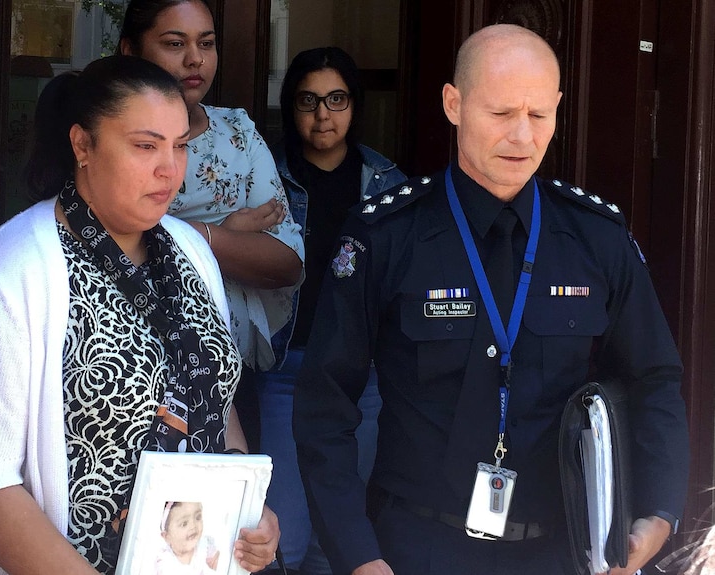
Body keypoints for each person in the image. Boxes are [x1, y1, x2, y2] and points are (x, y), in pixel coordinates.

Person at [292, 24, 689, 575]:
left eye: (538, 116)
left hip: (563, 548)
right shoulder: (386, 235)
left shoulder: (596, 237)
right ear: (453, 104)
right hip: (416, 548)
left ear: (557, 109)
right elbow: (324, 404)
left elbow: (655, 380)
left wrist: (659, 512)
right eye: (501, 114)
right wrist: (358, 555)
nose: (522, 138)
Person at [0, 55, 278, 575]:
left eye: (180, 145)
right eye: (145, 146)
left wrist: (247, 512)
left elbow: (214, 395)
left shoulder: (191, 253)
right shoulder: (10, 274)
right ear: (82, 145)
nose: (170, 168)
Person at [119, 0, 306, 451]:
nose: (194, 59)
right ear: (130, 50)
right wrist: (232, 232)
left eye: (206, 43)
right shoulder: (110, 139)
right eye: (174, 43)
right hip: (127, 382)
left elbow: (288, 262)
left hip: (229, 378)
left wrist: (199, 233)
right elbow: (108, 245)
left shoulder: (237, 133)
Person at [257, 47, 407, 575]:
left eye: (336, 99)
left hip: (361, 378)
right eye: (308, 100)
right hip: (287, 371)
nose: (323, 114)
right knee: (284, 539)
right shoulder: (265, 176)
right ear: (290, 107)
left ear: (355, 105)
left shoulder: (388, 183)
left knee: (339, 538)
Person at [154, 502, 218, 575]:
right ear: (167, 537)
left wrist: (218, 560)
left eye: (198, 517)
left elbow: (219, 560)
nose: (193, 526)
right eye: (184, 524)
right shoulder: (165, 562)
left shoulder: (204, 545)